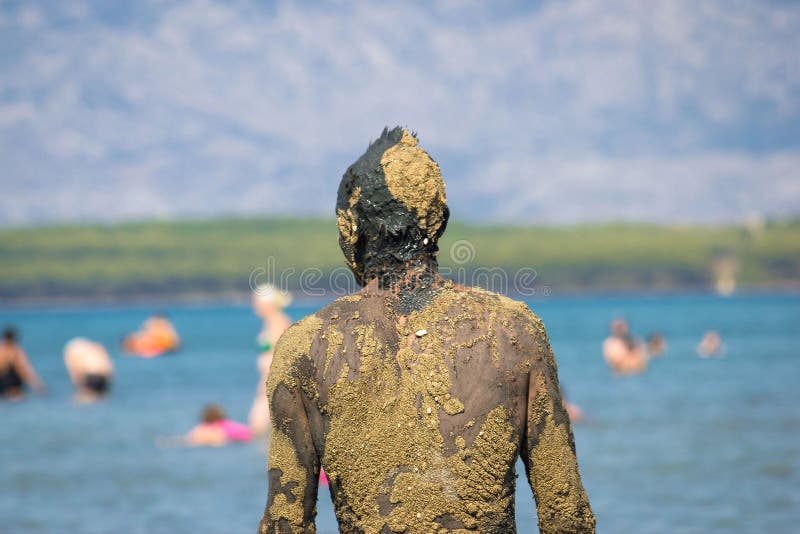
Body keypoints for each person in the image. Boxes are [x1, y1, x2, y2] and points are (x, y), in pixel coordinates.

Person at [259, 127, 594, 533]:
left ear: (349, 230)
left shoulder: (304, 348)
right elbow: (567, 517)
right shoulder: (513, 330)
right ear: (439, 222)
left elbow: (285, 524)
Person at [248, 284, 292, 436]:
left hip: (271, 378)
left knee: (258, 422)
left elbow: (281, 352)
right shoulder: (270, 321)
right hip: (266, 378)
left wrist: (268, 379)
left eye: (257, 302)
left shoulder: (278, 321)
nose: (255, 306)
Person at [158, 404, 253, 447]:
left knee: (182, 441)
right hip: (222, 439)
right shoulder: (228, 424)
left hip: (204, 438)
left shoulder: (200, 428)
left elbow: (189, 438)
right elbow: (247, 433)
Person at [0, 326, 46, 399]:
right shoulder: (15, 350)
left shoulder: (2, 348)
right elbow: (23, 369)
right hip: (12, 383)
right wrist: (37, 385)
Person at [63, 337, 114, 403]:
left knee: (85, 399)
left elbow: (74, 370)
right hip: (102, 376)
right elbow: (108, 365)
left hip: (90, 376)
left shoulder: (72, 349)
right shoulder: (95, 347)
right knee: (101, 398)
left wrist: (78, 382)